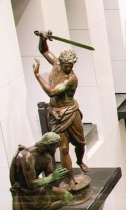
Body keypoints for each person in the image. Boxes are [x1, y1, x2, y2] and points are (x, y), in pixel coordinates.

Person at [33, 33, 88, 186]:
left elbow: (51, 91)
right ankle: (70, 179)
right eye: (67, 65)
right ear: (61, 62)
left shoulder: (71, 79)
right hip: (56, 114)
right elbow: (44, 51)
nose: (69, 68)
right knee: (63, 148)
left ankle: (79, 160)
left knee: (80, 144)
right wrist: (43, 38)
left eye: (71, 66)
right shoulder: (57, 64)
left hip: (70, 112)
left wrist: (37, 75)